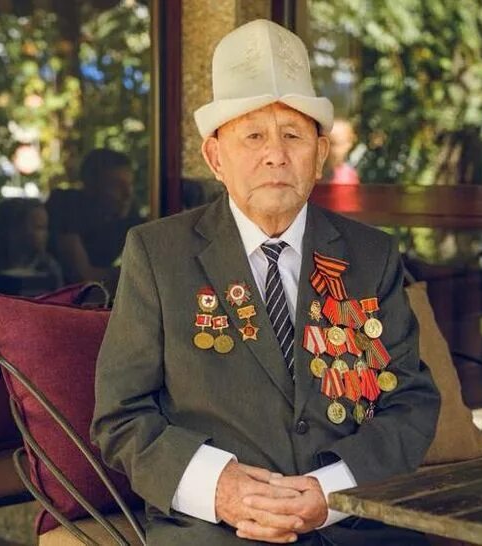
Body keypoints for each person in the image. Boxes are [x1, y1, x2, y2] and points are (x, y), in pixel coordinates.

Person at [91, 19, 439, 546]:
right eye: (253, 135)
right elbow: (121, 417)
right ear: (216, 157)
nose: (275, 154)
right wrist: (221, 490)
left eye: (292, 135)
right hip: (216, 530)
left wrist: (332, 493)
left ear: (319, 154)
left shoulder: (371, 255)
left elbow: (410, 400)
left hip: (355, 524)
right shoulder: (159, 254)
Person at [47, 148, 142, 288]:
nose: (127, 194)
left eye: (130, 184)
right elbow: (81, 277)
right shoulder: (66, 204)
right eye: (116, 185)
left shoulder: (128, 215)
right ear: (91, 187)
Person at [0, 198, 63, 295]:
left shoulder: (49, 267)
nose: (46, 234)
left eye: (45, 228)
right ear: (14, 230)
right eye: (39, 227)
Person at [323, 118, 360, 185]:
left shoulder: (348, 176)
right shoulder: (311, 173)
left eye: (334, 144)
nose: (328, 149)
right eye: (324, 143)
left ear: (348, 145)